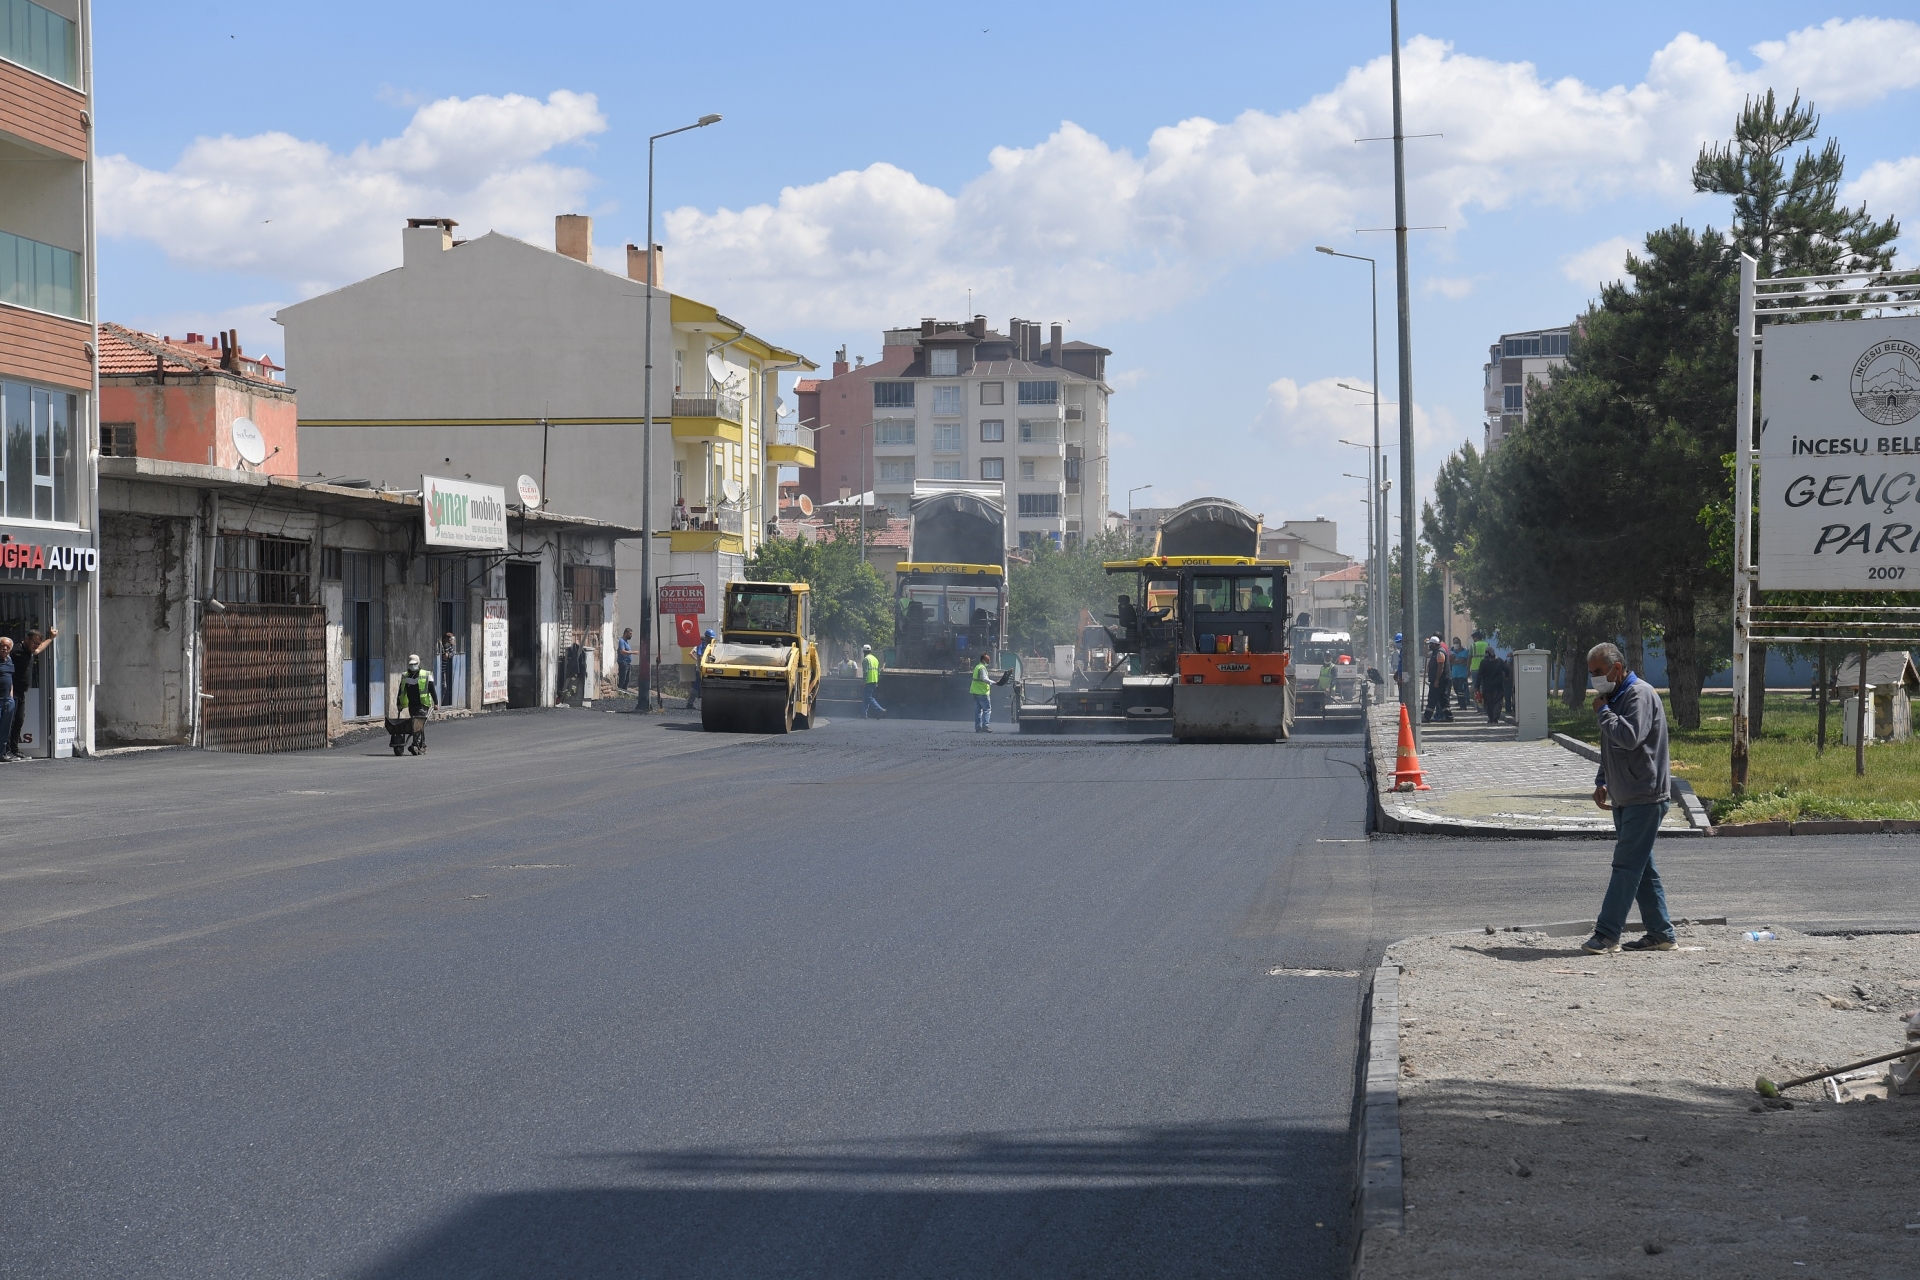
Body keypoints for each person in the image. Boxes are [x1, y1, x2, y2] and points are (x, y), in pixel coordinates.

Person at [1581, 641, 1677, 955]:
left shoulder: (1639, 695)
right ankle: (1661, 933)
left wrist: (1603, 712)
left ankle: (1606, 934)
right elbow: (1612, 746)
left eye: (1599, 671)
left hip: (1645, 796)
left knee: (1625, 867)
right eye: (1592, 672)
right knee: (1641, 868)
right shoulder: (1615, 697)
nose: (1595, 678)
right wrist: (1603, 780)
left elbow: (1629, 737)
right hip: (1625, 796)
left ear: (1618, 668)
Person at [8, 627, 54, 761]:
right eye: (35, 643)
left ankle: (14, 750)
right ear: (27, 639)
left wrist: (51, 638)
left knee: (19, 720)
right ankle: (6, 751)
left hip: (20, 692)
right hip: (11, 692)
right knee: (9, 721)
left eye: (38, 643)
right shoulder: (15, 650)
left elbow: (39, 650)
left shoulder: (30, 650)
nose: (37, 646)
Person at [396, 653, 436, 755]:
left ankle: (415, 744)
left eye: (414, 664)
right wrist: (399, 704)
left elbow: (432, 689)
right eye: (411, 664)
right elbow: (401, 691)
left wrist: (436, 702)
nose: (412, 666)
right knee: (417, 725)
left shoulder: (426, 674)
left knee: (417, 724)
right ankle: (422, 745)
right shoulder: (405, 676)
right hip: (412, 704)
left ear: (418, 663)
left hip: (423, 704)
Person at [1473, 646, 1507, 724]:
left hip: (1487, 688)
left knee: (1488, 704)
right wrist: (1506, 676)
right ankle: (1495, 717)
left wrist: (1477, 687)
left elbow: (1479, 675)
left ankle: (1491, 718)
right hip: (1498, 686)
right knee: (1498, 702)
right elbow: (1506, 669)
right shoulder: (1499, 661)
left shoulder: (1483, 662)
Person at [1422, 636, 1452, 723]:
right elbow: (1426, 654)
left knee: (1432, 698)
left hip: (1439, 680)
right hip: (1437, 680)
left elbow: (1440, 667)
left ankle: (1427, 717)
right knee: (1443, 699)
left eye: (1430, 644)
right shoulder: (1435, 652)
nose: (1429, 646)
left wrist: (1437, 680)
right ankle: (1449, 716)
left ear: (1434, 644)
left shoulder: (1440, 652)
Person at [689, 629, 715, 710]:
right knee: (697, 686)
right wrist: (701, 665)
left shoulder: (711, 646)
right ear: (706, 637)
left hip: (709, 669)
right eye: (710, 638)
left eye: (712, 638)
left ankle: (709, 704)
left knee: (708, 686)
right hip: (700, 669)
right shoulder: (700, 645)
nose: (711, 639)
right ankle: (690, 703)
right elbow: (700, 656)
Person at [0, 636, 16, 764]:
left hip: (8, 700)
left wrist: (11, 694)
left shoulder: (9, 660)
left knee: (5, 729)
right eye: (2, 645)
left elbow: (10, 678)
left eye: (8, 646)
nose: (5, 648)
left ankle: (2, 753)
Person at [971, 652, 994, 732]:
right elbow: (984, 679)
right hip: (982, 692)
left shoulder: (977, 667)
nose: (989, 661)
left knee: (978, 711)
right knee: (987, 709)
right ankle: (985, 726)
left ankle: (978, 727)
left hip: (975, 691)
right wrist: (994, 682)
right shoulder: (982, 668)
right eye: (987, 660)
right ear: (983, 660)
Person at [862, 643, 885, 718]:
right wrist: (877, 681)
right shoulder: (875, 659)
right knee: (866, 697)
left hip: (868, 681)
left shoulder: (866, 659)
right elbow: (878, 672)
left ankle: (880, 709)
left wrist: (864, 681)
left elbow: (865, 672)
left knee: (868, 697)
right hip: (874, 680)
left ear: (863, 652)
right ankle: (864, 713)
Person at [1450, 635, 1471, 709]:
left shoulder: (1465, 651)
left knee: (1461, 689)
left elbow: (1462, 660)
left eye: (1457, 642)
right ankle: (1460, 702)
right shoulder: (1452, 652)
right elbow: (1450, 662)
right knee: (1456, 689)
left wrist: (1455, 661)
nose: (1455, 644)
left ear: (1460, 643)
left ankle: (1463, 705)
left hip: (1462, 674)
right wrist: (1458, 661)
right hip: (1454, 674)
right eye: (1454, 642)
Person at [617, 628, 635, 692]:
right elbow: (622, 651)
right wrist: (634, 652)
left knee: (627, 679)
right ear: (626, 633)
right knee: (623, 679)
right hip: (623, 663)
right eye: (630, 634)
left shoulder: (626, 642)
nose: (631, 635)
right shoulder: (621, 641)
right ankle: (621, 691)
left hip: (628, 663)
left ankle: (625, 692)